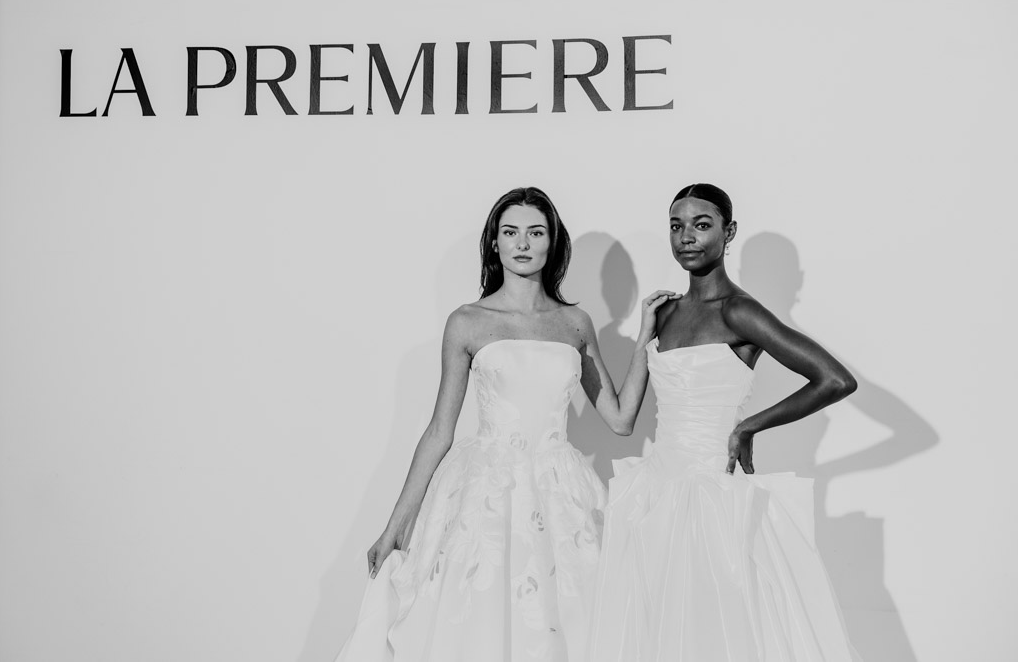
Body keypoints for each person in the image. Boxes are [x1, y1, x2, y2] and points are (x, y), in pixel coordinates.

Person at [335, 187, 673, 662]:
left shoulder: (576, 323)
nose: (522, 242)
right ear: (493, 242)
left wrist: (644, 338)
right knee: (478, 625)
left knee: (574, 623)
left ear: (552, 242)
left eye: (536, 232)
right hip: (486, 494)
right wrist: (396, 525)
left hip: (561, 492)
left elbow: (619, 419)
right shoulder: (468, 322)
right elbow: (439, 431)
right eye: (510, 232)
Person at [587, 183, 861, 661]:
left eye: (701, 224)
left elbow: (834, 379)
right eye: (677, 226)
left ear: (728, 232)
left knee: (717, 628)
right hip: (657, 488)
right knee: (653, 626)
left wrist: (749, 425)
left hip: (712, 490)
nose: (686, 237)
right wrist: (643, 335)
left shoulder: (738, 310)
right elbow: (629, 414)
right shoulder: (664, 312)